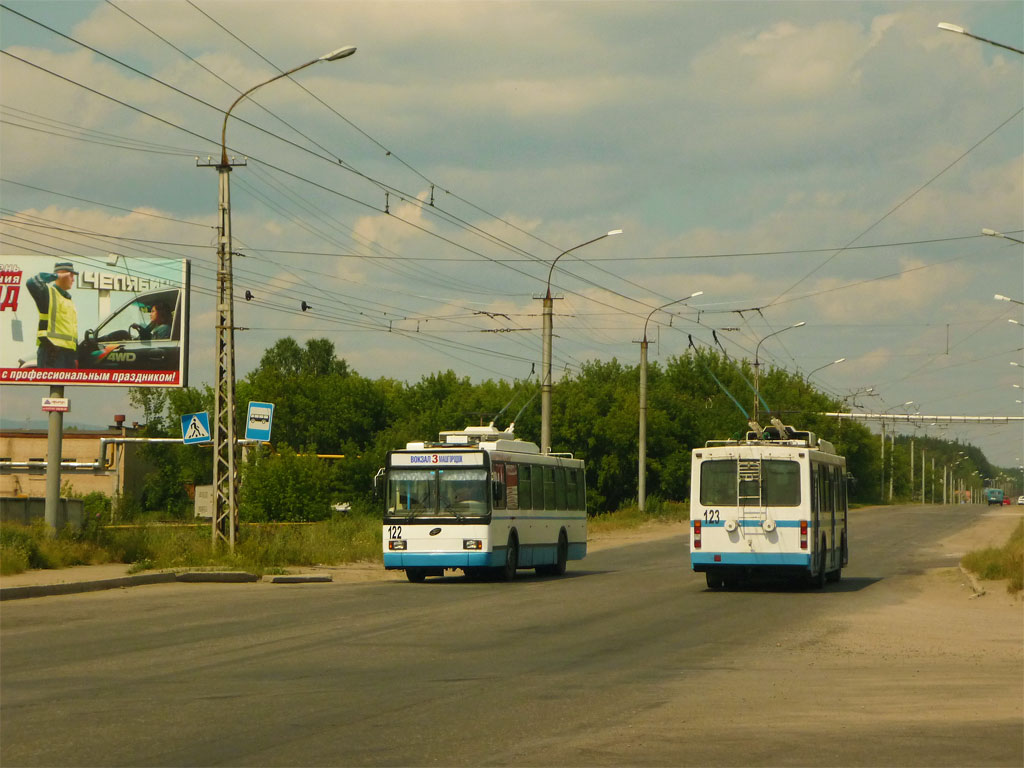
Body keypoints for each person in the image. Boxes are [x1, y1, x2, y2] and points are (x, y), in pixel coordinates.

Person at [26, 261, 79, 368]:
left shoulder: (68, 300)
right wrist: (56, 276)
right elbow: (31, 282)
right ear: (63, 274)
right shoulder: (48, 294)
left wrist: (74, 357)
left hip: (68, 356)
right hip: (51, 353)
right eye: (71, 275)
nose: (73, 280)